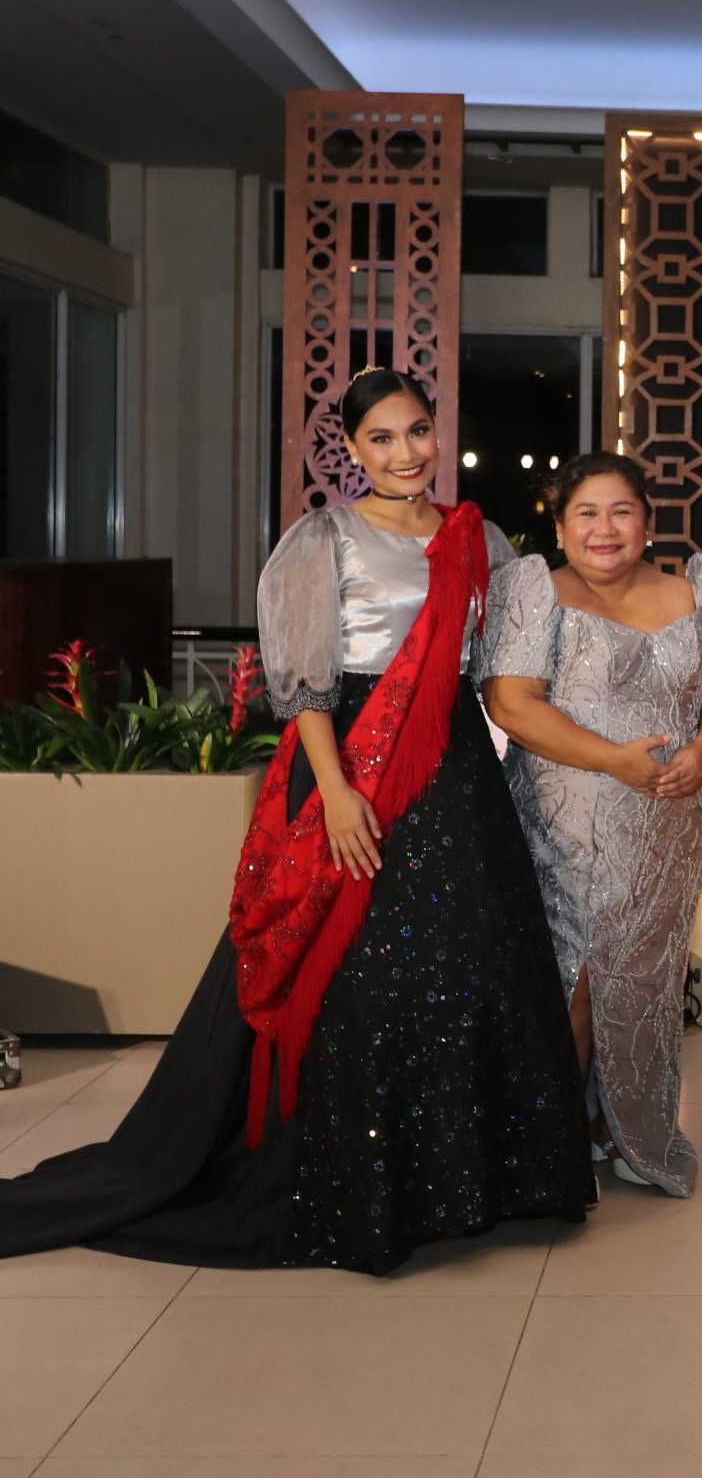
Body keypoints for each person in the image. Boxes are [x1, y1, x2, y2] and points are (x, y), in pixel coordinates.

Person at [0, 367, 595, 1274]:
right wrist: (339, 790)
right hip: (347, 761)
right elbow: (306, 682)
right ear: (351, 450)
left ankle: (465, 1183)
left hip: (454, 770)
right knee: (357, 973)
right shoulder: (324, 538)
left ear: (437, 432)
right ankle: (358, 1181)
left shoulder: (478, 540)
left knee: (468, 964)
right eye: (381, 438)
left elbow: (495, 669)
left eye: (417, 430)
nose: (404, 452)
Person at [480, 452, 702, 1197]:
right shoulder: (533, 588)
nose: (605, 528)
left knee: (646, 981)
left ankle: (626, 1129)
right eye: (586, 514)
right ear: (560, 527)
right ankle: (549, 1147)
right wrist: (612, 761)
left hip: (665, 823)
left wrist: (701, 751)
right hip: (563, 822)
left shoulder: (692, 590)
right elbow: (511, 703)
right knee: (571, 977)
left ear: (647, 521)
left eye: (621, 511)